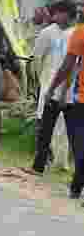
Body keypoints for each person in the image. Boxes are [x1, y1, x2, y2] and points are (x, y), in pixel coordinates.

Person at [26, 0, 77, 176]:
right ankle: (42, 163)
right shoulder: (47, 33)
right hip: (49, 86)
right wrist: (42, 81)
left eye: (57, 12)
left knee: (64, 129)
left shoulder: (75, 34)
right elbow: (37, 60)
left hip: (69, 91)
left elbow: (72, 66)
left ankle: (61, 162)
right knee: (45, 126)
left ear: (66, 14)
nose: (53, 16)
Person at [45, 15, 84, 199]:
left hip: (81, 101)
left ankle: (76, 188)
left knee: (79, 146)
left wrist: (53, 89)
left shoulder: (80, 32)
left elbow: (68, 66)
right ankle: (76, 188)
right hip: (79, 98)